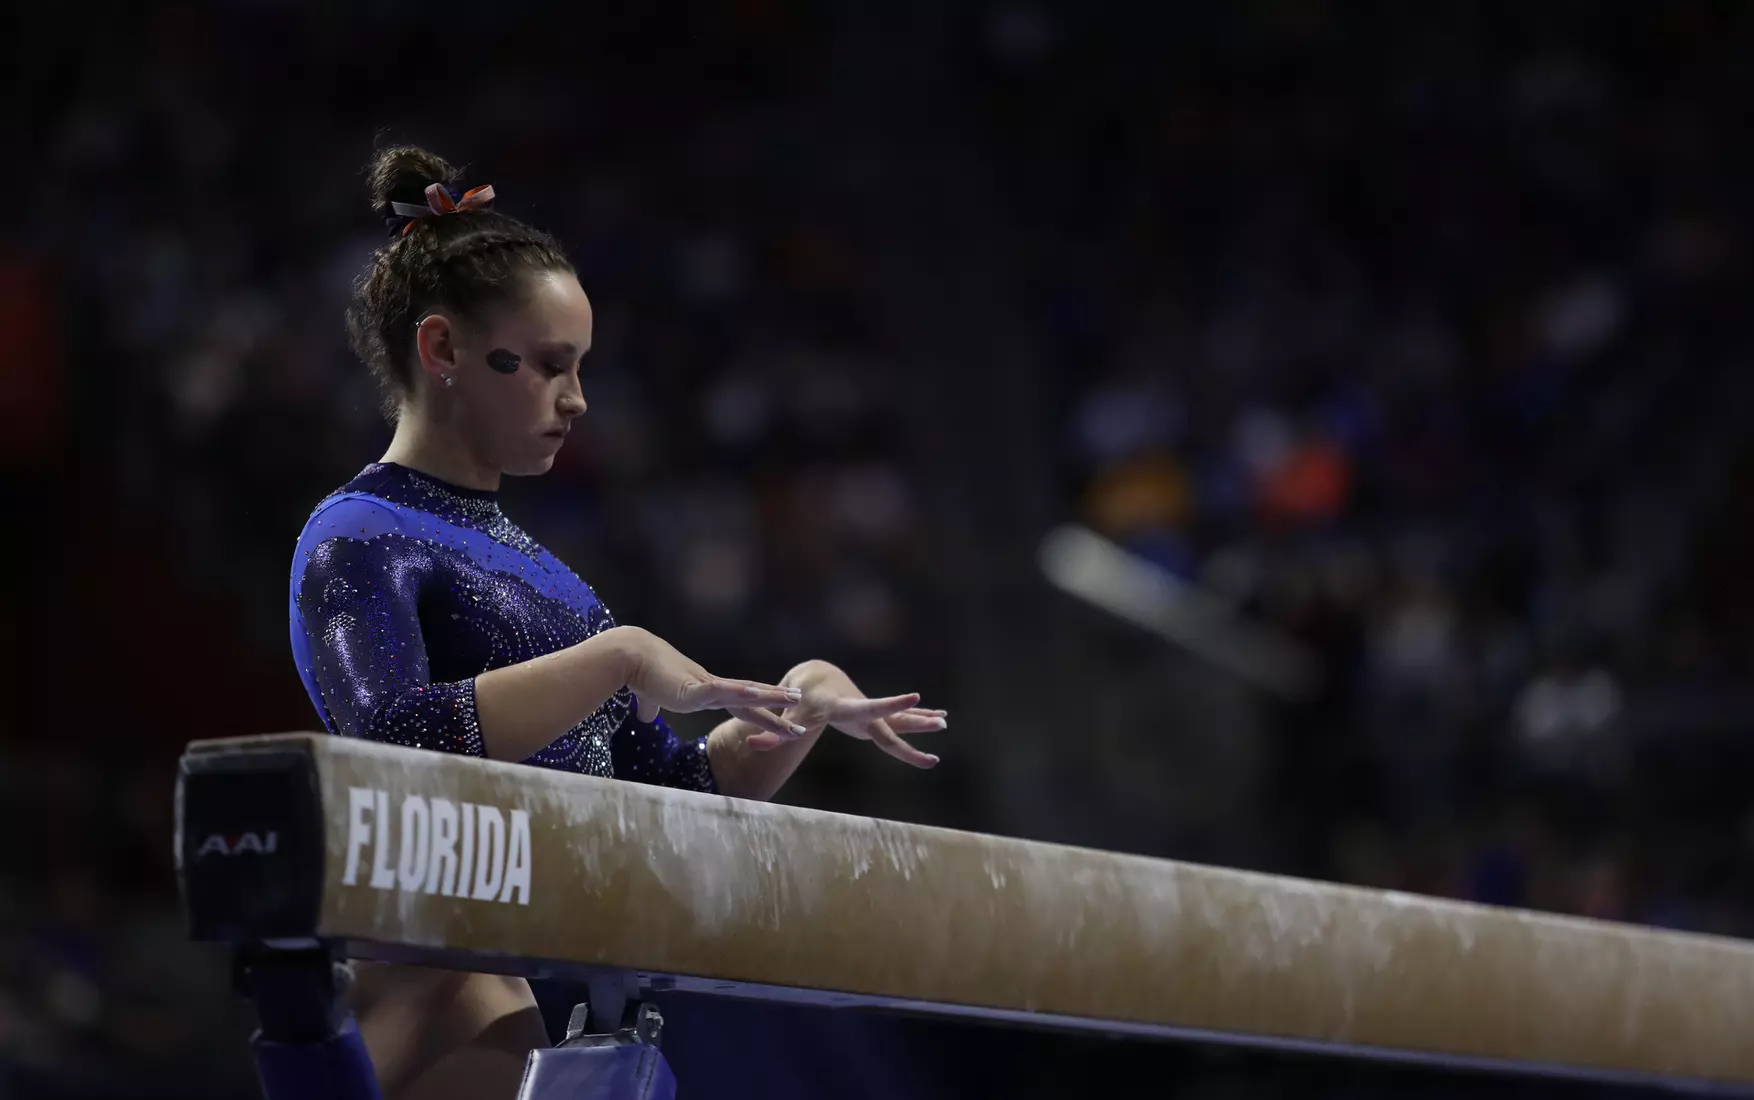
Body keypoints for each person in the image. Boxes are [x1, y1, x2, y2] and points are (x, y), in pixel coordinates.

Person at [288, 145, 947, 1100]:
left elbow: (665, 793)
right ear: (443, 352)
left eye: (581, 366)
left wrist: (798, 701)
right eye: (549, 365)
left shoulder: (552, 584)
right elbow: (390, 740)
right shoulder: (359, 536)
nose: (577, 398)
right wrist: (623, 655)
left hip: (518, 984)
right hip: (427, 988)